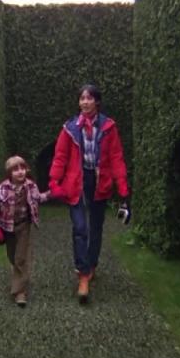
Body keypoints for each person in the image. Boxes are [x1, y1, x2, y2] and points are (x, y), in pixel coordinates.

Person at [48, 83, 130, 303]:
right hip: (76, 181)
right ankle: (83, 274)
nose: (84, 102)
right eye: (81, 98)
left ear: (97, 102)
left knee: (95, 228)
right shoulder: (69, 128)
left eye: (89, 98)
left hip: (99, 181)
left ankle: (91, 265)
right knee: (80, 227)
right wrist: (54, 181)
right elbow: (60, 156)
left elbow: (116, 158)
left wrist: (123, 190)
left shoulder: (109, 127)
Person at [0, 155, 50, 307]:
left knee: (21, 258)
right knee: (12, 256)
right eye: (15, 169)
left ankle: (19, 292)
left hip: (24, 225)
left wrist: (52, 193)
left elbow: (38, 198)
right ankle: (20, 274)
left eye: (22, 168)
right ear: (9, 173)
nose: (20, 172)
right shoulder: (1, 189)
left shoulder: (31, 186)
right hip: (7, 227)